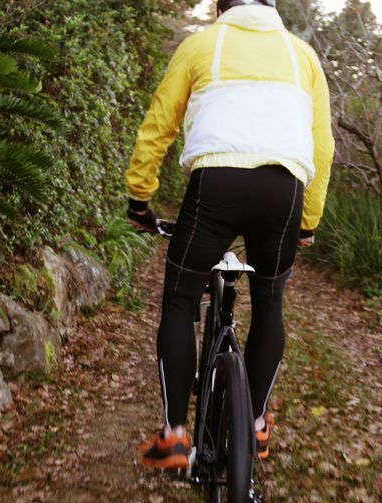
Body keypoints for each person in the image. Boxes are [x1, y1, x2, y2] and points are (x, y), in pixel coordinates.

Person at [125, 0, 334, 469]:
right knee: (269, 301)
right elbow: (323, 144)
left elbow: (160, 123)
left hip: (215, 184)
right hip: (285, 189)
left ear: (222, 7)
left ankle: (174, 435)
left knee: (180, 301)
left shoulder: (201, 44)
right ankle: (256, 425)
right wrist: (308, 219)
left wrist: (140, 196)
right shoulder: (302, 55)